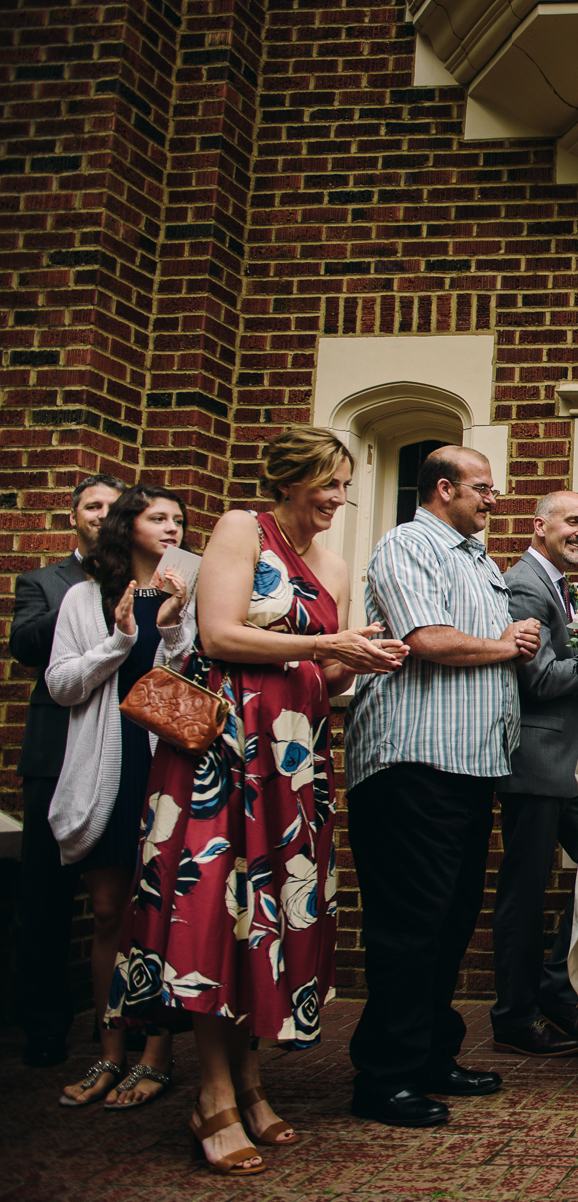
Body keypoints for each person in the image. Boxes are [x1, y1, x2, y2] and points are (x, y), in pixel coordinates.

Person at [107, 429, 406, 1176]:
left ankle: (248, 1078)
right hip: (226, 753)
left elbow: (328, 676)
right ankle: (212, 1092)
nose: (339, 499)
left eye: (345, 486)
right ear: (292, 480)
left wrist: (353, 658)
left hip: (295, 760)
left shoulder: (336, 563)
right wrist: (323, 642)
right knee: (215, 909)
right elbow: (220, 632)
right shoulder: (244, 528)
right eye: (329, 483)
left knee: (265, 918)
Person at [344, 446, 539, 1129]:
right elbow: (424, 637)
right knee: (409, 926)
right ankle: (384, 1078)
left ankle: (430, 1055)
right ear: (444, 488)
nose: (493, 501)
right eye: (483, 490)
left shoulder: (477, 559)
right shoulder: (406, 544)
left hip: (467, 765)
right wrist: (507, 643)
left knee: (450, 921)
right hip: (411, 764)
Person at [44, 485, 193, 1113]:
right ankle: (110, 1052)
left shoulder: (188, 595)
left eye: (180, 521)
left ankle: (156, 1056)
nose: (173, 529)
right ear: (128, 526)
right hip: (107, 764)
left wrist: (174, 626)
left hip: (166, 765)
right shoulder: (84, 598)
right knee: (110, 910)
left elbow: (193, 685)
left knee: (155, 912)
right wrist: (120, 637)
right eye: (159, 518)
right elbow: (61, 686)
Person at [9, 472, 124, 1068]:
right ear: (74, 517)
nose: (103, 514)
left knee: (121, 900)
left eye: (113, 505)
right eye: (91, 506)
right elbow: (26, 645)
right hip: (55, 752)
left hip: (120, 750)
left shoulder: (146, 578)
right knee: (46, 898)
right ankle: (46, 1026)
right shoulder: (45, 582)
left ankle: (126, 1022)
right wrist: (87, 600)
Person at [490, 491, 578, 1059]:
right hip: (535, 764)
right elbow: (536, 679)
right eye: (572, 521)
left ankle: (555, 988)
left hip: (566, 766)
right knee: (524, 894)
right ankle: (514, 1017)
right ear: (540, 526)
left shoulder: (561, 586)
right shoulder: (525, 585)